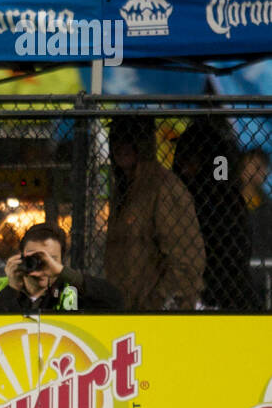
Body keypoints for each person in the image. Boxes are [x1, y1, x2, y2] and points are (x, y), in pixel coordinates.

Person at [103, 117, 205, 310]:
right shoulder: (124, 189)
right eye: (116, 138)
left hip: (155, 312)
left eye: (130, 138)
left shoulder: (163, 187)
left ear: (144, 143)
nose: (121, 145)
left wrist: (159, 300)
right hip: (126, 306)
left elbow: (187, 259)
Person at [173, 121, 258, 310]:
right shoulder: (179, 196)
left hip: (222, 284)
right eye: (183, 158)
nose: (185, 166)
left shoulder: (223, 196)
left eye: (191, 159)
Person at [0, 222, 122, 312]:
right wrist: (12, 288)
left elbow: (115, 300)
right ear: (21, 256)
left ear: (61, 262)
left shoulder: (71, 290)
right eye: (34, 258)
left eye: (51, 259)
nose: (42, 265)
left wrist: (62, 272)